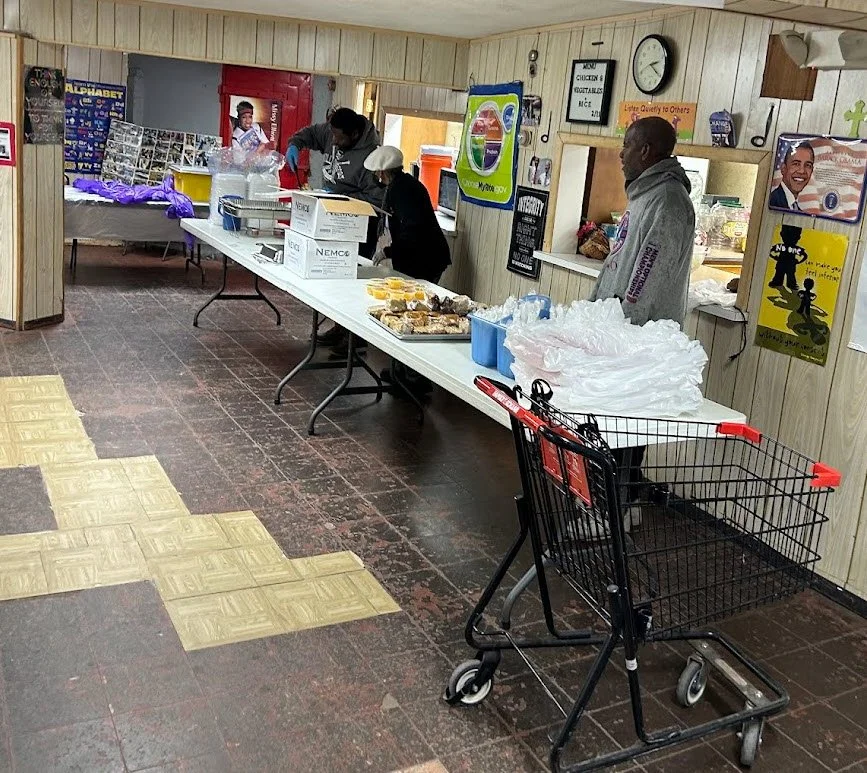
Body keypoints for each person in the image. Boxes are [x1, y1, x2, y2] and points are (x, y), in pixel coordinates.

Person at [590, 116, 696, 529]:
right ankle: (618, 507)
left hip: (637, 338)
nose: (620, 154)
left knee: (624, 434)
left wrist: (618, 330)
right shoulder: (645, 196)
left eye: (627, 145)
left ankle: (612, 516)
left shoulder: (668, 202)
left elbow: (645, 280)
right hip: (619, 332)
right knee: (614, 431)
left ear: (647, 151)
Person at [286, 108, 385, 352]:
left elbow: (374, 201)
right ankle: (339, 328)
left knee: (351, 281)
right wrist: (295, 145)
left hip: (360, 224)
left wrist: (341, 196)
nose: (335, 142)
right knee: (332, 279)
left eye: (340, 138)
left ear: (354, 134)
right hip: (330, 218)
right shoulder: (332, 132)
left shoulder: (371, 156)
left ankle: (355, 337)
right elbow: (308, 134)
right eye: (333, 135)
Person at [364, 145, 451, 396]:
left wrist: (388, 252)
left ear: (382, 172)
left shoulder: (402, 191)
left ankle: (414, 380)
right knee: (407, 313)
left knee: (413, 317)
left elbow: (412, 230)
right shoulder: (405, 185)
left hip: (425, 259)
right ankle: (402, 374)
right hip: (421, 258)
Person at [769, 141, 814, 211]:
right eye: (796, 164)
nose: (802, 171)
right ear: (783, 169)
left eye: (808, 165)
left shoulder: (797, 210)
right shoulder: (772, 201)